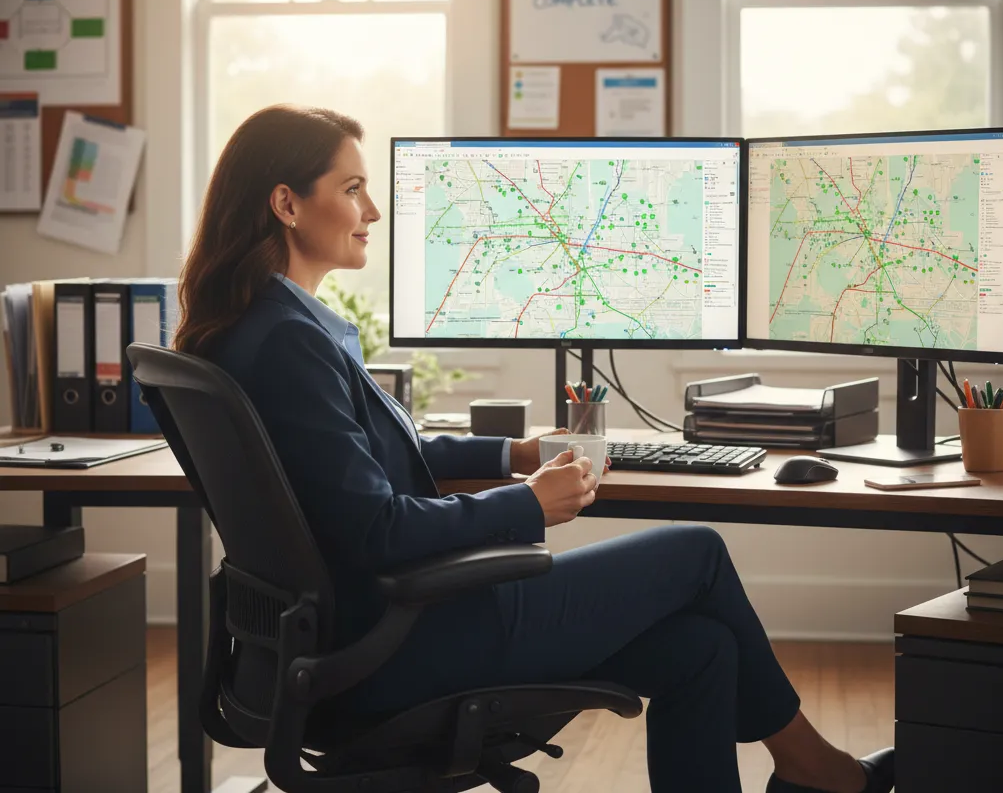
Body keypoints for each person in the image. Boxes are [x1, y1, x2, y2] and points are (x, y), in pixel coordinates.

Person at [175, 104, 894, 793]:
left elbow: (374, 462)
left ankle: (811, 770)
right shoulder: (292, 344)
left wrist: (512, 455)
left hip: (352, 638)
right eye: (353, 188)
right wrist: (527, 504)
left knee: (701, 649)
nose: (373, 211)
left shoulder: (265, 328)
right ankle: (816, 768)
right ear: (287, 204)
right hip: (398, 647)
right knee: (697, 550)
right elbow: (374, 528)